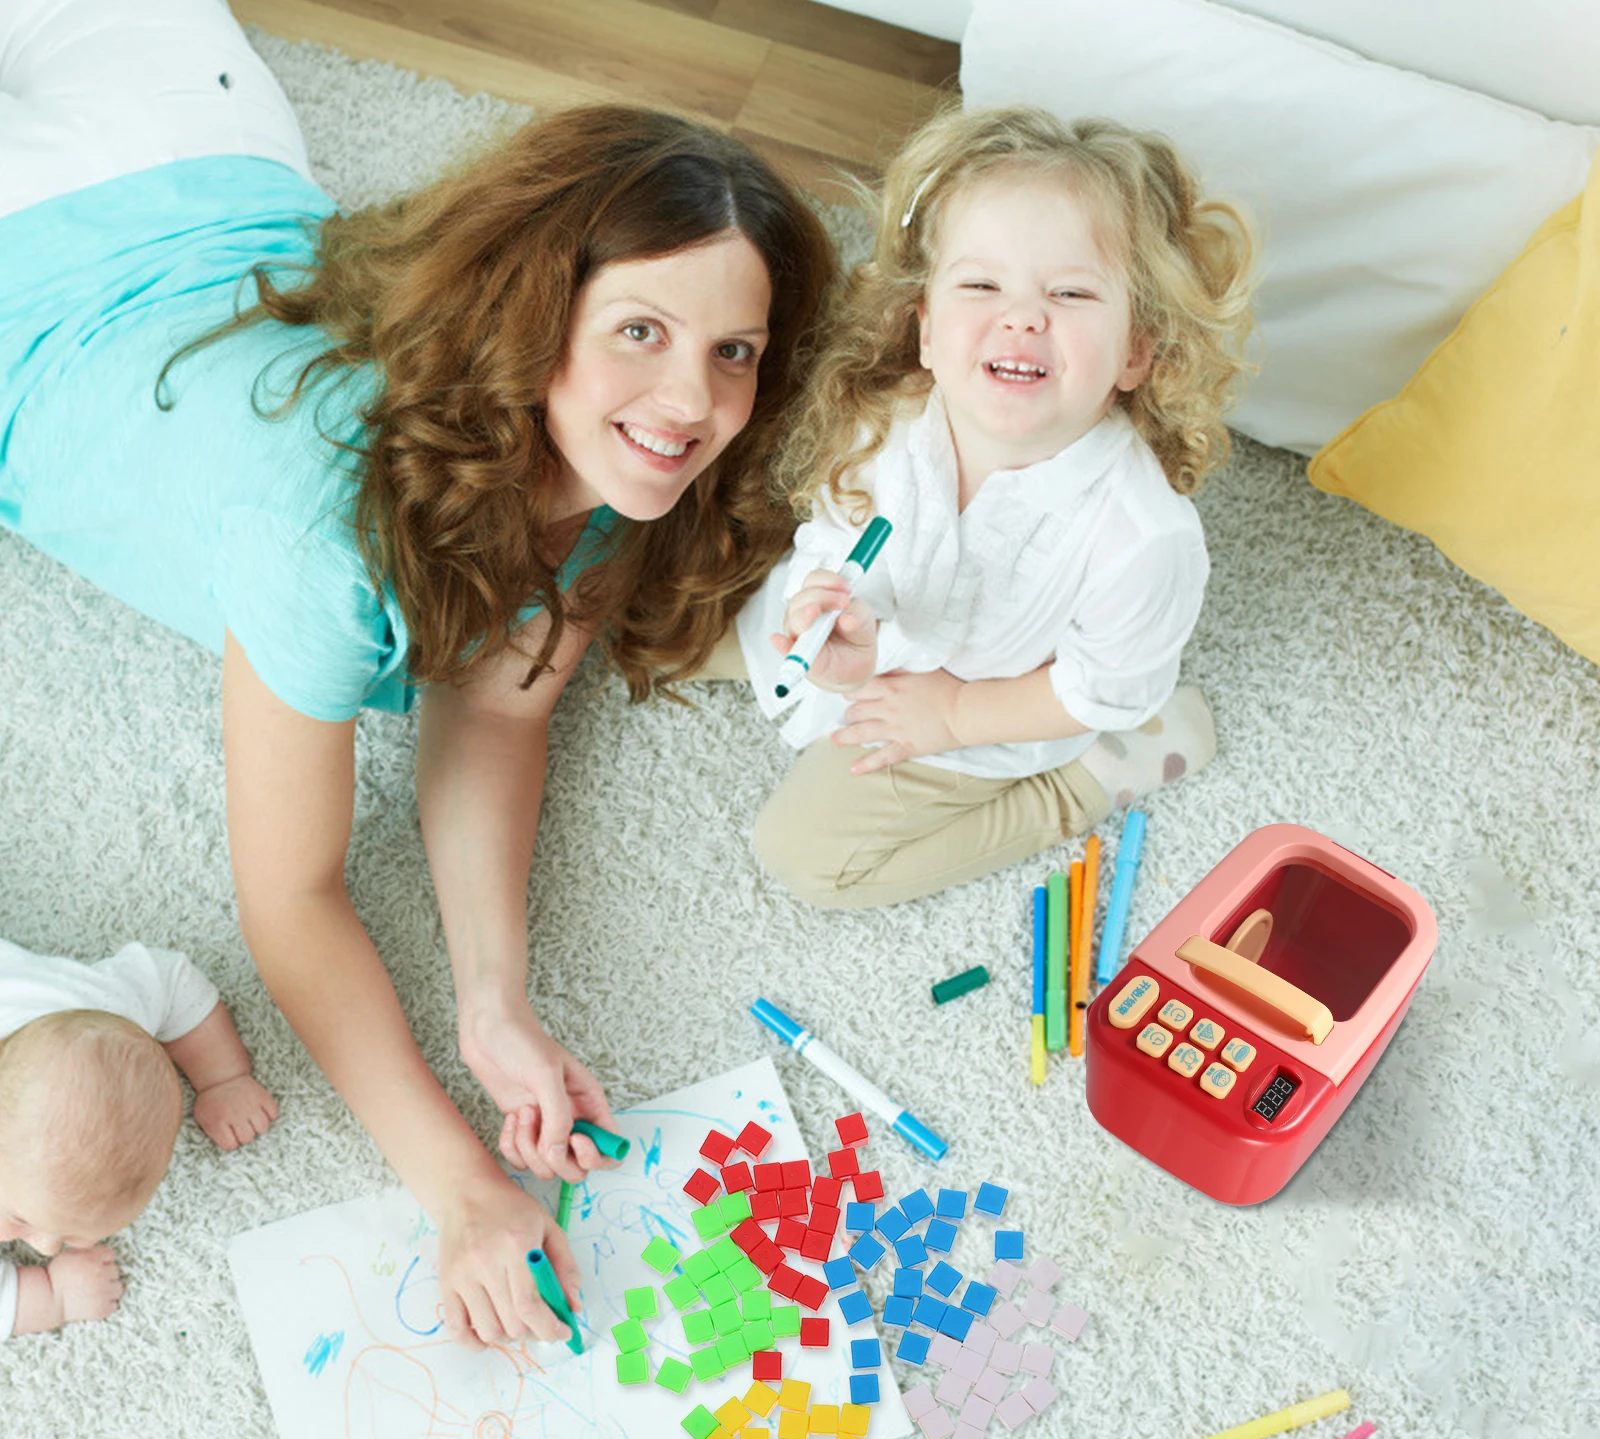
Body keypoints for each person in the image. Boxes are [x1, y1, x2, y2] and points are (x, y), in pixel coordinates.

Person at [0, 0, 835, 1344]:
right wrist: (456, 1183)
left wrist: (492, 1003)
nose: (690, 405)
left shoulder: (626, 461)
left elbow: (500, 709)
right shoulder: (320, 546)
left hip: (198, 144)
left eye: (731, 351)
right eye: (641, 331)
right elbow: (291, 897)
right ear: (537, 313)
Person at [715, 104, 1253, 907]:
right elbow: (835, 530)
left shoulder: (1143, 539)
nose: (1023, 315)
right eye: (981, 284)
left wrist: (957, 715)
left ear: (1137, 351)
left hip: (990, 719)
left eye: (1071, 292)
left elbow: (1103, 691)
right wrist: (833, 614)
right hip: (879, 657)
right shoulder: (887, 418)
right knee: (670, 634)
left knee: (804, 857)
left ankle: (1091, 782)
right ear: (926, 329)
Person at [0, 935, 277, 1338]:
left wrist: (222, 1078)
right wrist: (51, 1296)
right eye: (19, 1217)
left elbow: (176, 984)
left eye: (70, 1234)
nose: (44, 1248)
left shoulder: (109, 1010)